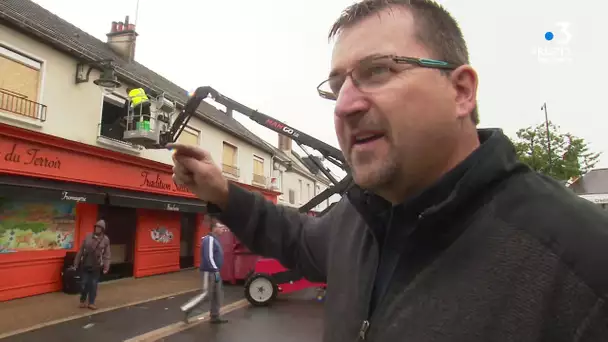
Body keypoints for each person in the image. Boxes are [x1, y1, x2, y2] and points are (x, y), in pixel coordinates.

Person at [169, 0, 608, 341]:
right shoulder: (359, 219)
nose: (345, 105)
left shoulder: (583, 261)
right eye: (338, 86)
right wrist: (222, 192)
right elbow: (296, 237)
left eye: (378, 70)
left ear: (461, 91)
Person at [187, 217, 228, 324]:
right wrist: (215, 270)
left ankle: (215, 316)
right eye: (221, 227)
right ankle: (186, 309)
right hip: (209, 272)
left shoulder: (215, 239)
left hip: (215, 272)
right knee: (207, 295)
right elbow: (208, 256)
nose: (223, 230)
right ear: (214, 228)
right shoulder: (209, 239)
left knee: (217, 294)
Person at [73, 219, 111, 310]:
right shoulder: (88, 236)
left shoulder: (105, 240)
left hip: (96, 265)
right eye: (96, 227)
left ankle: (91, 303)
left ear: (102, 229)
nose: (97, 229)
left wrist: (106, 266)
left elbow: (107, 254)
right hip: (86, 263)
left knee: (93, 284)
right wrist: (76, 263)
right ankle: (82, 301)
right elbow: (81, 250)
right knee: (84, 283)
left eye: (99, 228)